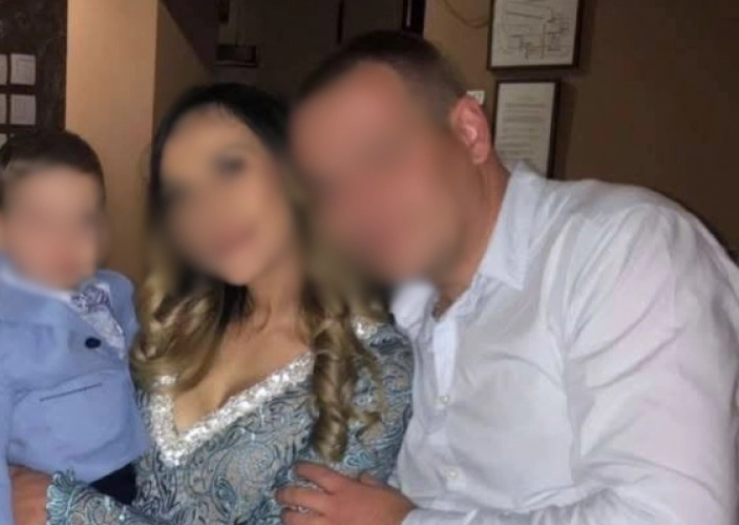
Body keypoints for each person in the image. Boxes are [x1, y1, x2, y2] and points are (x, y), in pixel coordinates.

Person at [277, 31, 739, 525]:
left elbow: (673, 516)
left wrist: (404, 523)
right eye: (328, 187)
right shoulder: (395, 312)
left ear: (469, 132)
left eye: (381, 156)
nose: (358, 206)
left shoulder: (623, 247)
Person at [10, 84, 414, 525]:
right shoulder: (169, 328)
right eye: (182, 193)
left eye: (228, 167)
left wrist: (68, 510)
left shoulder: (374, 364)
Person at [0, 131, 149, 525]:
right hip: (57, 499)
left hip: (139, 484)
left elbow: (151, 368)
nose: (65, 240)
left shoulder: (115, 293)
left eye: (83, 219)